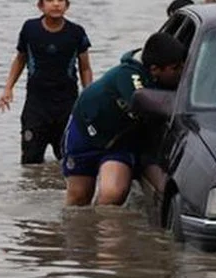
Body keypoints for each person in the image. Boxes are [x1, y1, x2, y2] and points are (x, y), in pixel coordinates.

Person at [61, 32, 186, 207]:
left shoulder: (166, 80)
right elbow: (144, 100)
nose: (181, 72)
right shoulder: (129, 75)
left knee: (112, 194)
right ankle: (83, 232)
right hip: (85, 132)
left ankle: (102, 231)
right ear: (155, 69)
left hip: (120, 143)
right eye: (176, 68)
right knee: (78, 199)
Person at [0, 0, 93, 164]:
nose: (55, 3)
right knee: (30, 164)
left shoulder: (76, 32)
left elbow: (85, 67)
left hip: (67, 107)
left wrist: (89, 96)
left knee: (68, 161)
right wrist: (8, 88)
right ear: (40, 5)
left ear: (67, 4)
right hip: (36, 108)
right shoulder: (30, 29)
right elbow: (20, 59)